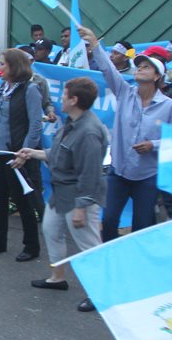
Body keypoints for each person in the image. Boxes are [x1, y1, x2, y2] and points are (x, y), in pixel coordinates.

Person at [15, 77, 109, 312]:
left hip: (78, 196)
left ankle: (100, 293)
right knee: (51, 230)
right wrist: (32, 153)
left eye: (64, 95)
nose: (61, 99)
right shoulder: (73, 122)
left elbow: (90, 174)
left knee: (88, 245)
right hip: (62, 192)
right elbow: (59, 153)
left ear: (74, 100)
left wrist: (81, 207)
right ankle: (57, 278)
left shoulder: (89, 132)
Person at [82, 27, 172, 240]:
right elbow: (108, 70)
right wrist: (96, 45)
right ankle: (110, 254)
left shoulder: (170, 106)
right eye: (139, 66)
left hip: (147, 176)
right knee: (109, 220)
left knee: (142, 225)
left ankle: (136, 258)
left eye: (146, 67)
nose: (140, 69)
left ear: (158, 76)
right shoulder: (124, 92)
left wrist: (153, 145)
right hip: (118, 172)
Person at [0, 48, 44, 261]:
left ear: (14, 66)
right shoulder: (3, 88)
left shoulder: (30, 90)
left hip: (15, 153)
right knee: (0, 198)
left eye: (2, 64)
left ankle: (31, 246)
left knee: (23, 200)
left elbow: (35, 125)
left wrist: (24, 153)